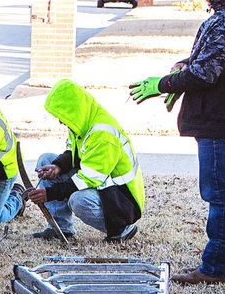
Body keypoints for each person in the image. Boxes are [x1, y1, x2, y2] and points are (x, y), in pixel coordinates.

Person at [128, 0, 225, 284]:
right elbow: (209, 59)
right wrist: (182, 64)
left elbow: (205, 73)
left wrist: (162, 84)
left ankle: (215, 267)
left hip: (221, 119)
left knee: (220, 195)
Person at [26, 80, 144, 242]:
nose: (61, 121)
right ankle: (61, 228)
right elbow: (74, 154)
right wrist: (58, 166)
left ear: (73, 111)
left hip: (121, 199)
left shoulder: (103, 133)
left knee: (79, 201)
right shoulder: (82, 122)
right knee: (46, 159)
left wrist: (50, 194)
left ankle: (122, 229)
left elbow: (88, 178)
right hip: (104, 187)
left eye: (62, 116)